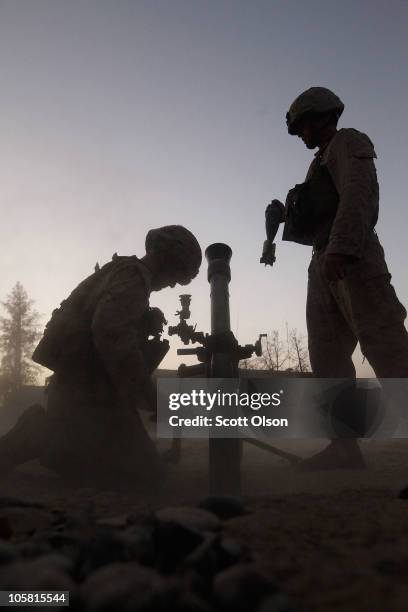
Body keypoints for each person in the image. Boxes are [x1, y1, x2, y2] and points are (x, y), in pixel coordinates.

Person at [0, 225, 201, 486]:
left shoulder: (122, 272)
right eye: (178, 274)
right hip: (87, 394)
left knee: (143, 471)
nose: (174, 283)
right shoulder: (134, 277)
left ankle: (54, 437)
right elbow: (110, 331)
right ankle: (42, 433)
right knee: (147, 478)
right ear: (168, 258)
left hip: (87, 390)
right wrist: (149, 395)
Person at [274, 87, 408, 469]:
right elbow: (321, 209)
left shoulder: (348, 142)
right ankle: (344, 448)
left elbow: (358, 193)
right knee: (327, 357)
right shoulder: (317, 164)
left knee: (387, 347)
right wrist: (286, 214)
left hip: (353, 258)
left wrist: (343, 247)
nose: (302, 134)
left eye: (304, 125)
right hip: (323, 264)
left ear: (323, 117)